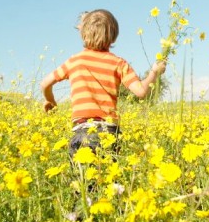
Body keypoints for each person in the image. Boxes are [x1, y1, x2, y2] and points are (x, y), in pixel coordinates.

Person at [40, 9, 166, 157]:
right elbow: (141, 92)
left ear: (83, 33)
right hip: (110, 131)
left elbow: (44, 84)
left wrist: (50, 100)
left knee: (82, 177)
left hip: (82, 130)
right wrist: (154, 72)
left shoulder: (74, 61)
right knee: (109, 176)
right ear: (113, 38)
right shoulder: (119, 63)